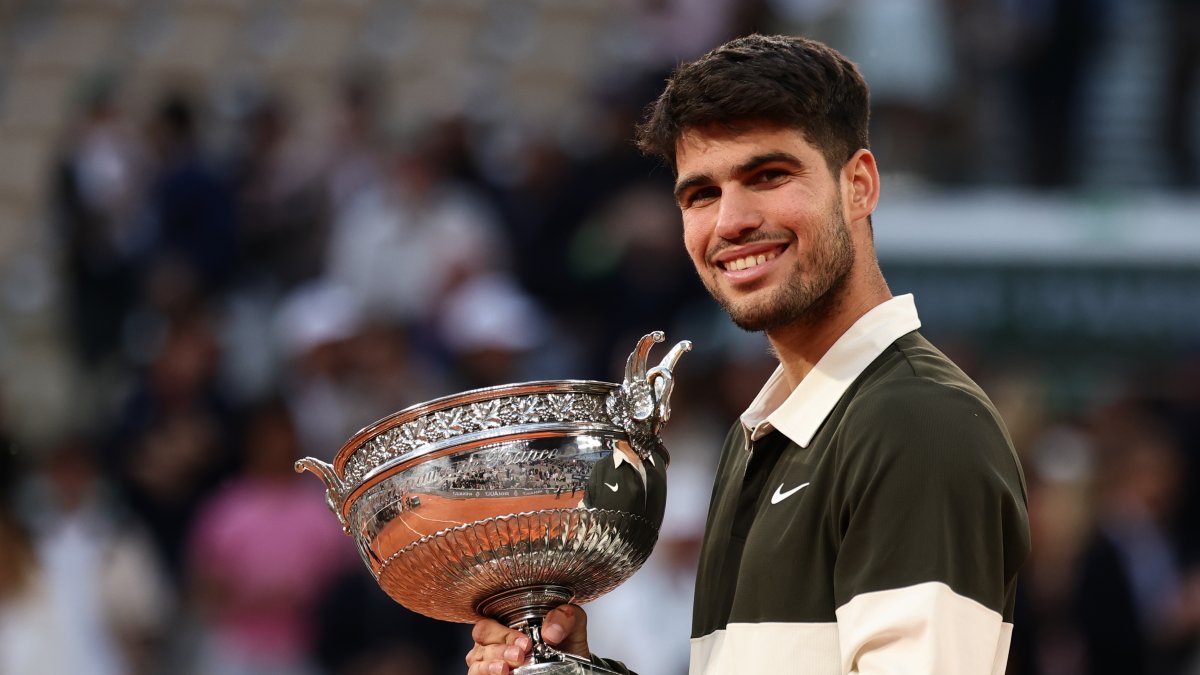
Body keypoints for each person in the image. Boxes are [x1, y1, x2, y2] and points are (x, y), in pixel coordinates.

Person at [466, 33, 1030, 675]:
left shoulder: (918, 422)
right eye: (700, 194)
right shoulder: (756, 437)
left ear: (859, 186)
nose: (730, 221)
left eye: (768, 176)